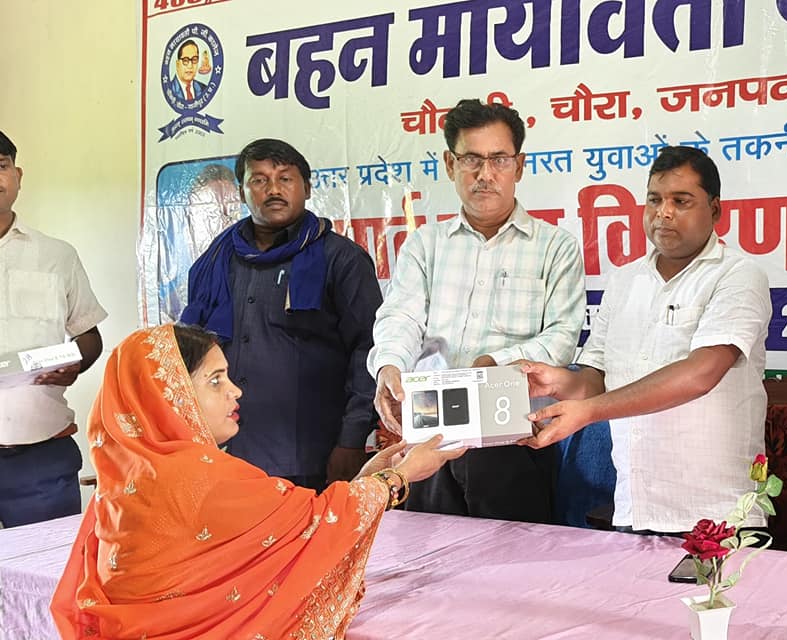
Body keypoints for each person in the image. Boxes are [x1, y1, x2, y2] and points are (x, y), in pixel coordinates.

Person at [50, 324, 466, 639]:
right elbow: (317, 523)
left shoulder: (124, 479)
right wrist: (400, 476)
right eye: (215, 380)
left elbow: (301, 523)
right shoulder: (204, 479)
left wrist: (368, 477)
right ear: (169, 395)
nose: (235, 391)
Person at [518, 146, 770, 533]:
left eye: (681, 201)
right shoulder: (624, 280)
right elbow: (596, 377)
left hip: (718, 513)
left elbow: (700, 374)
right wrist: (556, 383)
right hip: (635, 506)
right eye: (654, 199)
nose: (663, 212)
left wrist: (589, 411)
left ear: (715, 209)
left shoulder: (738, 275)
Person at [370, 99, 585, 523]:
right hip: (431, 434)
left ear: (518, 167)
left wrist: (495, 366)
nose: (485, 174)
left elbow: (561, 339)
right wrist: (390, 365)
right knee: (429, 551)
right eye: (471, 159)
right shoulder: (425, 244)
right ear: (450, 164)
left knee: (514, 555)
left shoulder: (555, 247)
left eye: (499, 159)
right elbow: (401, 317)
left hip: (515, 437)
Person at [181, 138, 381, 490]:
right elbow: (191, 353)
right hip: (225, 455)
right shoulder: (213, 262)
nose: (273, 190)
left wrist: (351, 441)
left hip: (310, 457)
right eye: (259, 180)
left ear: (307, 187)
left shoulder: (341, 259)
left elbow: (369, 349)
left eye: (285, 178)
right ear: (242, 192)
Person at [0, 129, 107, 528]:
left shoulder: (56, 255)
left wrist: (75, 363)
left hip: (40, 457)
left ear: (18, 176)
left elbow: (88, 334)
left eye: (1, 166)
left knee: (48, 564)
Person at [141, 162, 241, 324]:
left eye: (230, 213)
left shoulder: (254, 284)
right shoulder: (173, 305)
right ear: (191, 222)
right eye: (211, 215)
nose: (222, 224)